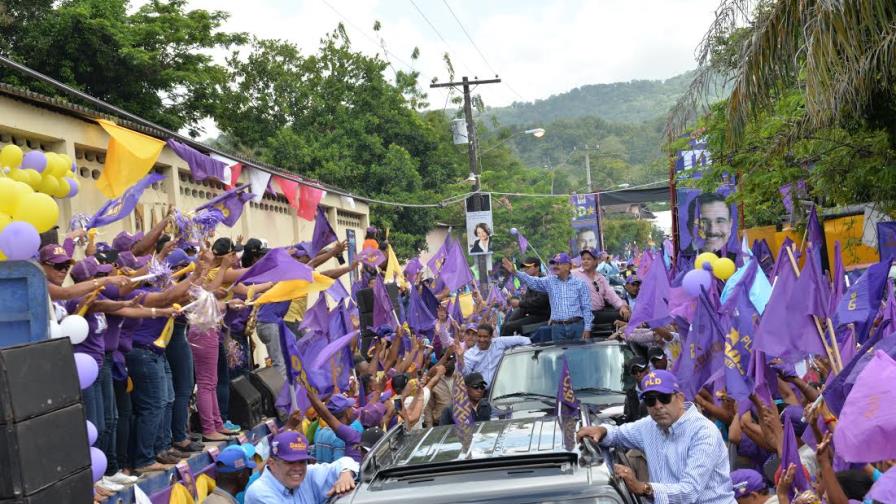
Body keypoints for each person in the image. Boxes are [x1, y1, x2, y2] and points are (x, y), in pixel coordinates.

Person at [576, 370, 736, 503]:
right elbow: (617, 434)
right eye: (650, 400)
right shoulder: (649, 425)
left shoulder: (703, 432)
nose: (658, 406)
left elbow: (689, 492)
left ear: (679, 398)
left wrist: (644, 488)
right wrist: (601, 430)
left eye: (664, 398)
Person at [244, 431, 358, 504]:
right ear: (272, 464)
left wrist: (346, 473)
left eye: (302, 461)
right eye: (290, 462)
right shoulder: (259, 493)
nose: (298, 468)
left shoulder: (308, 475)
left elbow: (345, 462)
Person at [503, 253, 593, 342]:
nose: (555, 266)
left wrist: (587, 328)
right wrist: (515, 272)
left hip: (576, 326)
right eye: (554, 263)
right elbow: (532, 281)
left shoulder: (580, 283)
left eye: (558, 263)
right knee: (560, 356)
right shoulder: (549, 281)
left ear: (568, 266)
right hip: (558, 328)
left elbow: (586, 307)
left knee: (578, 355)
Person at [455, 323, 529, 386]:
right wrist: (461, 359)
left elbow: (525, 340)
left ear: (491, 337)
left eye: (485, 337)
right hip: (481, 392)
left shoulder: (499, 342)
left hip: (501, 389)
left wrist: (524, 359)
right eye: (479, 336)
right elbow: (467, 375)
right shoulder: (470, 354)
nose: (481, 340)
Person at [572, 249, 630, 329]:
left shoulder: (600, 277)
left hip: (598, 312)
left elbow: (611, 294)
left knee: (626, 314)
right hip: (584, 314)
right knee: (621, 316)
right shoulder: (574, 274)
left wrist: (622, 306)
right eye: (583, 259)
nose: (585, 261)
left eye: (588, 259)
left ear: (596, 261)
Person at [500, 258, 550, 336]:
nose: (525, 269)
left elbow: (540, 302)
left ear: (537, 268)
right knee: (505, 324)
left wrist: (520, 303)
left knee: (509, 327)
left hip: (541, 316)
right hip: (530, 313)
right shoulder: (530, 282)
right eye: (524, 267)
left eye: (528, 267)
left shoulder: (543, 281)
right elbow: (526, 301)